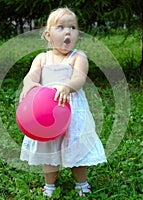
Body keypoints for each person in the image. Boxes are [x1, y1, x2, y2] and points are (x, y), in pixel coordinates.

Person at [19, 7, 107, 197]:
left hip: (72, 109)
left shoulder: (78, 57)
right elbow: (32, 75)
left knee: (76, 146)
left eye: (73, 27)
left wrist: (67, 87)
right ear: (48, 35)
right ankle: (50, 185)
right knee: (48, 149)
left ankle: (81, 183)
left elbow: (79, 78)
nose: (68, 31)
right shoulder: (42, 58)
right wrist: (29, 83)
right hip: (47, 113)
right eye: (61, 27)